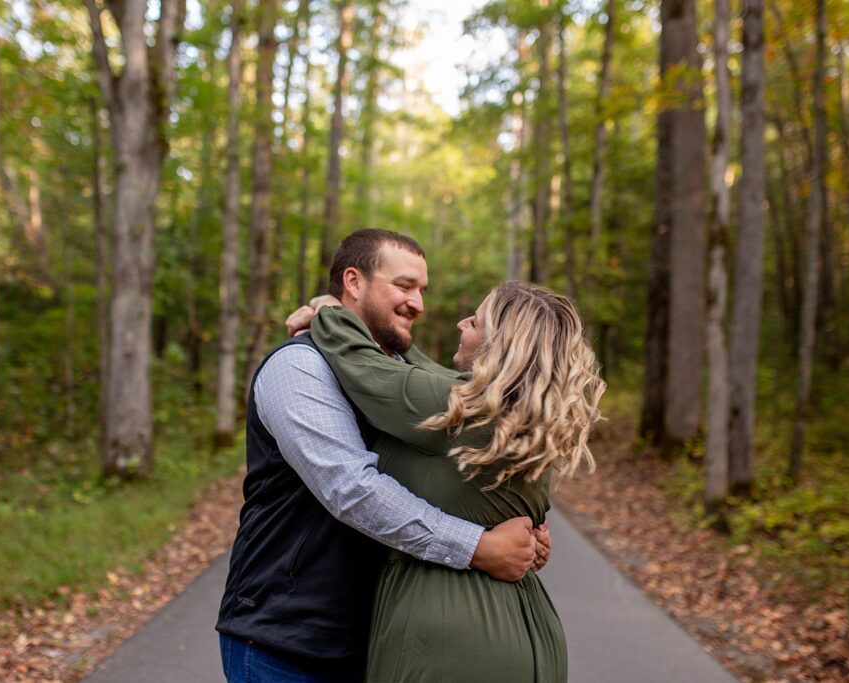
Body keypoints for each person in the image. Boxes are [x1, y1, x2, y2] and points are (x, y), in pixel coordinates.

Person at [216, 229, 551, 683]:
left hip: (374, 638)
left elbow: (456, 456)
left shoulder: (393, 373)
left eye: (422, 291)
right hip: (286, 639)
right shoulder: (299, 366)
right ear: (354, 283)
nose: (419, 304)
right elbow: (351, 490)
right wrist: (478, 547)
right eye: (404, 285)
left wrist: (521, 522)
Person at [300, 280, 605, 682]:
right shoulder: (526, 415)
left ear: (500, 346)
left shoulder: (461, 410)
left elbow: (365, 369)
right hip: (529, 632)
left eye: (475, 322)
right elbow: (429, 378)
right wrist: (400, 344)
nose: (462, 324)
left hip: (454, 639)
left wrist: (330, 312)